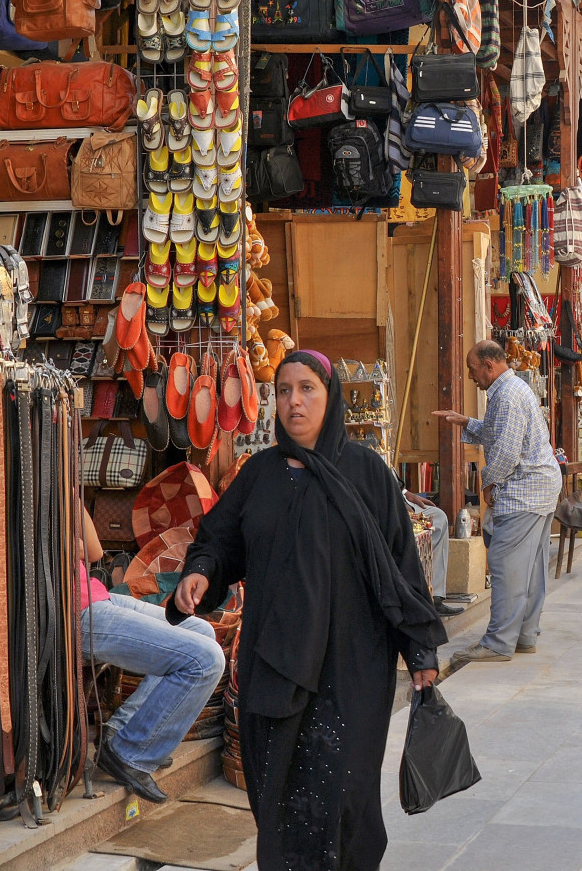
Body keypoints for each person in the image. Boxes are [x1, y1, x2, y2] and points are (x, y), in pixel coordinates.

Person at [172, 350, 446, 871]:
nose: (294, 401)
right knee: (278, 799)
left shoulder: (366, 472)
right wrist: (200, 572)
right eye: (283, 390)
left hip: (353, 669)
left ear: (330, 395)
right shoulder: (260, 475)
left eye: (307, 389)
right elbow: (219, 539)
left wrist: (421, 649)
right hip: (274, 666)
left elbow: (402, 566)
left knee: (345, 797)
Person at [77, 508, 226, 803]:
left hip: (96, 597)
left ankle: (122, 733)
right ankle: (131, 752)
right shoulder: (29, 488)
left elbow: (92, 551)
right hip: (76, 613)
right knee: (206, 660)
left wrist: (71, 495)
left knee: (202, 632)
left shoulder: (62, 487)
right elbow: (67, 552)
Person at [433, 340, 562, 665]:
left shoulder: (506, 395)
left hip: (525, 489)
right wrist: (466, 422)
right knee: (530, 567)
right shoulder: (512, 389)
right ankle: (523, 635)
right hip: (539, 488)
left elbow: (505, 452)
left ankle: (499, 642)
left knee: (506, 564)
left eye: (472, 369)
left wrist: (488, 481)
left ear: (489, 365)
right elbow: (499, 434)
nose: (471, 376)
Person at [404, 491, 470, 617]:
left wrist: (405, 493)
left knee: (438, 517)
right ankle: (413, 596)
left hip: (398, 497)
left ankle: (435, 597)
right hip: (381, 502)